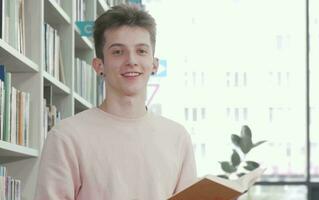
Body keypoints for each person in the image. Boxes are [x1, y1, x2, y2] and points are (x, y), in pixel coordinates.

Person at [35, 4, 197, 200]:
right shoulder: (66, 137)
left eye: (141, 51)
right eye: (118, 52)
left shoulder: (178, 138)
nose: (131, 60)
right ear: (99, 65)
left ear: (154, 65)